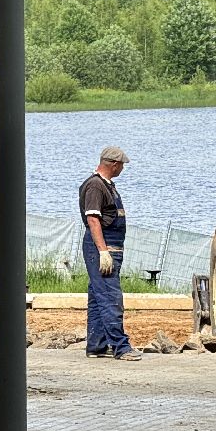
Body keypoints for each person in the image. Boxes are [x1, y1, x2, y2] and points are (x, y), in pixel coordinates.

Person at [80, 145, 140, 360]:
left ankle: (96, 345)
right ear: (114, 164)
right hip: (102, 248)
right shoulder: (96, 187)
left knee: (98, 297)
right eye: (122, 165)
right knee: (110, 297)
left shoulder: (107, 185)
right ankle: (120, 347)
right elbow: (93, 219)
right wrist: (103, 251)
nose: (123, 168)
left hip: (109, 247)